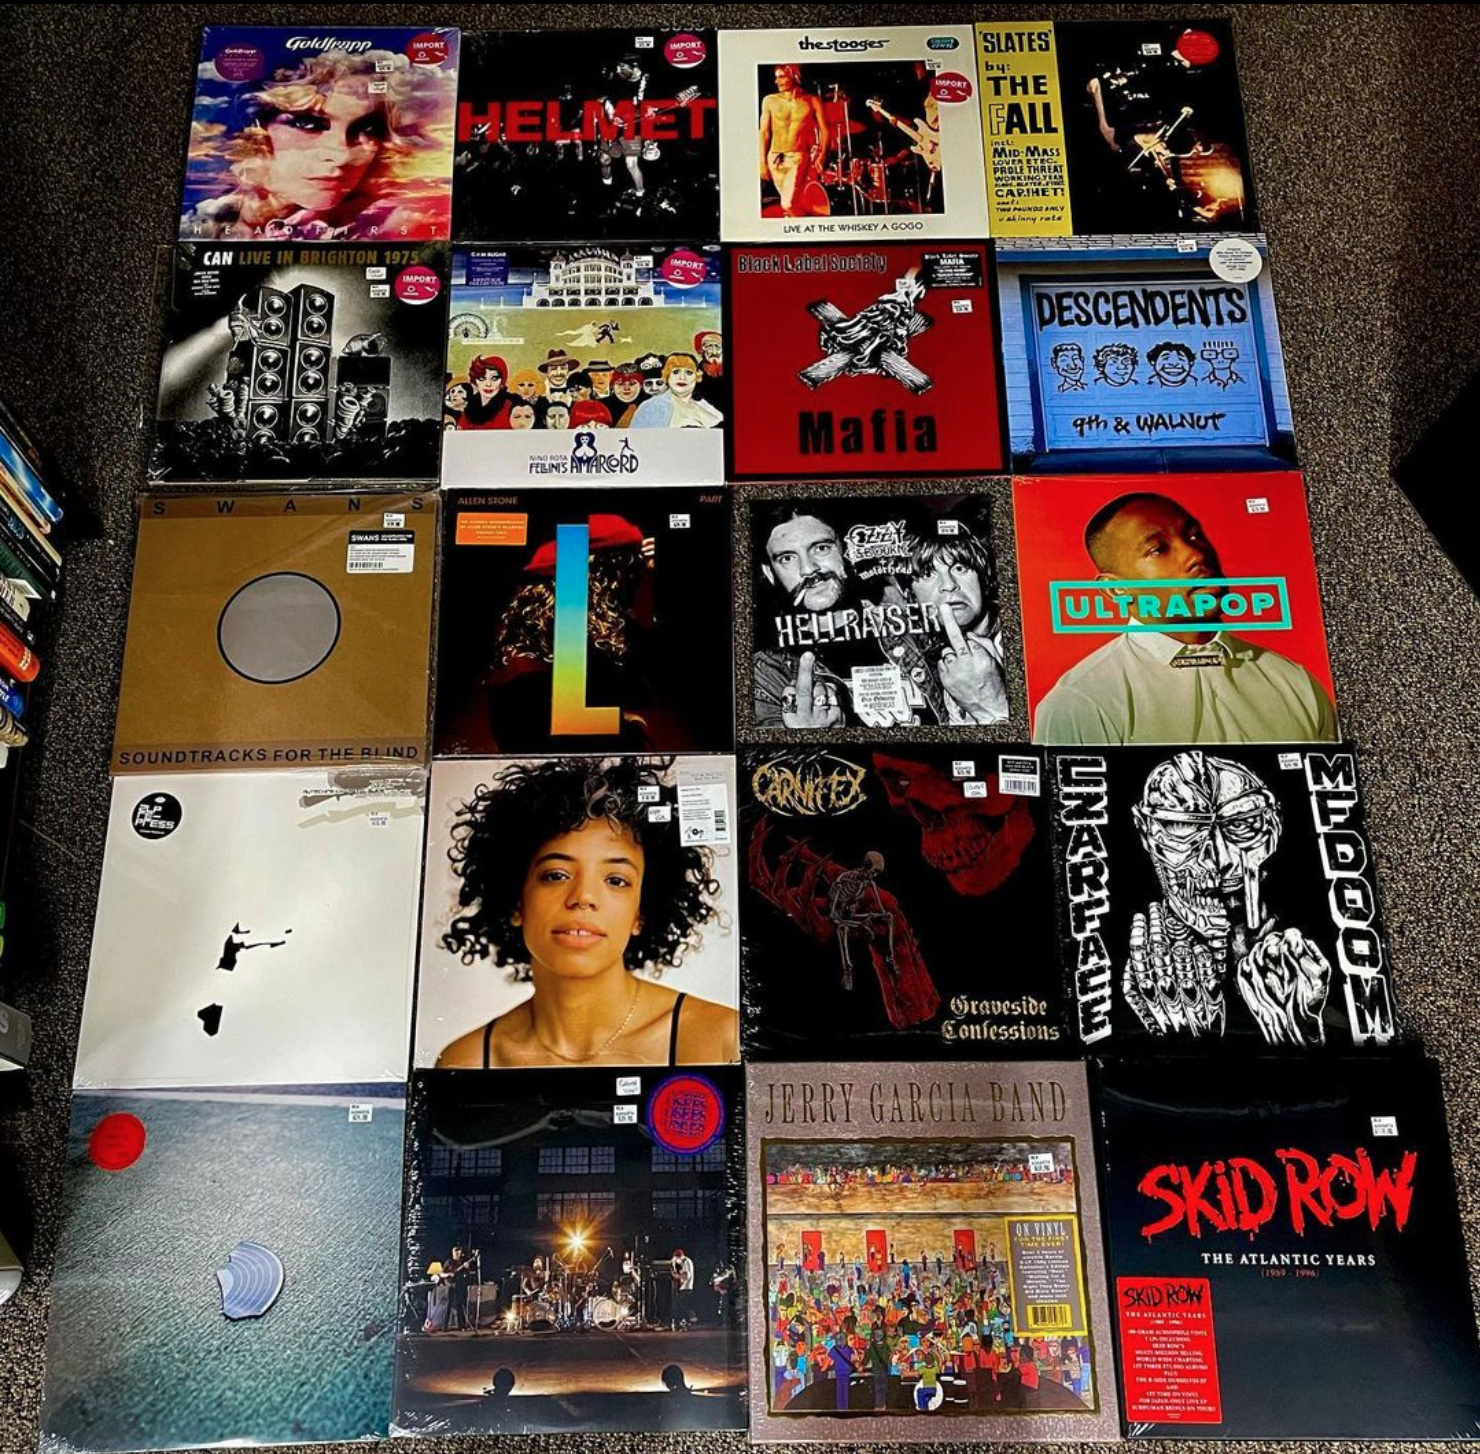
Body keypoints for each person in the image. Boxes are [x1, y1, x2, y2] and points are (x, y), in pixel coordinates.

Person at [435, 757, 738, 1068]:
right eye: (556, 875)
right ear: (516, 902)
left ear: (641, 913)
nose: (583, 897)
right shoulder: (467, 1063)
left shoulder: (723, 1040)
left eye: (616, 880)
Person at [1033, 492, 1338, 745]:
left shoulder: (1295, 684)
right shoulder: (1081, 703)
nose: (1195, 554)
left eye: (1194, 534)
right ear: (1115, 589)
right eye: (1158, 550)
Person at [184, 49, 452, 240]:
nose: (342, 154)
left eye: (366, 129)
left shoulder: (396, 227)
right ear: (255, 131)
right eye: (308, 124)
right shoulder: (201, 223)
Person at [906, 525, 1008, 725]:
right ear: (911, 595)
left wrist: (992, 705)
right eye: (927, 574)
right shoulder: (933, 658)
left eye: (960, 568)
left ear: (983, 577)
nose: (949, 585)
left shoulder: (1024, 641)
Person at [759, 66, 830, 217]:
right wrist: (762, 162)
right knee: (793, 205)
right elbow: (764, 132)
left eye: (781, 77)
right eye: (776, 77)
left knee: (788, 203)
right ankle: (799, 226)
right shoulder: (769, 100)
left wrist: (822, 155)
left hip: (798, 158)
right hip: (775, 158)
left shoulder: (812, 101)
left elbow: (825, 130)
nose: (777, 81)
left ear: (794, 77)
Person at [630, 353, 722, 429]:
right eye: (676, 372)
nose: (682, 378)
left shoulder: (705, 406)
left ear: (697, 376)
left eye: (689, 372)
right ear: (667, 376)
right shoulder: (650, 407)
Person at [459, 355, 513, 429]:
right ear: (475, 380)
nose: (488, 384)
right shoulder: (467, 408)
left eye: (494, 378)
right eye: (482, 378)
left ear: (502, 380)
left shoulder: (511, 407)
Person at [671, 1248, 696, 1328]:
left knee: (683, 1305)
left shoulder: (686, 1262)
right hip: (684, 1287)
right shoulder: (685, 1262)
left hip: (686, 1287)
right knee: (682, 1305)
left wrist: (676, 1276)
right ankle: (687, 1320)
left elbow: (686, 1276)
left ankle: (691, 1318)